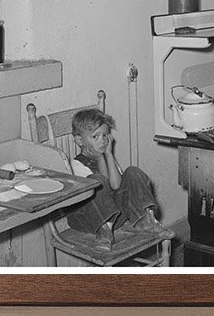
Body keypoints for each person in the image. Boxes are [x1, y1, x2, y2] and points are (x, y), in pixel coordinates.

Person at [67, 107, 173, 251]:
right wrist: (100, 158)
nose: (103, 141)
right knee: (96, 180)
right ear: (79, 140)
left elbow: (116, 186)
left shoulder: (107, 156)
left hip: (116, 218)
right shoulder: (75, 164)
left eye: (105, 135)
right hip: (90, 220)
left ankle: (145, 219)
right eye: (95, 137)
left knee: (132, 172)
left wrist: (109, 155)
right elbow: (102, 187)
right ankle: (104, 230)